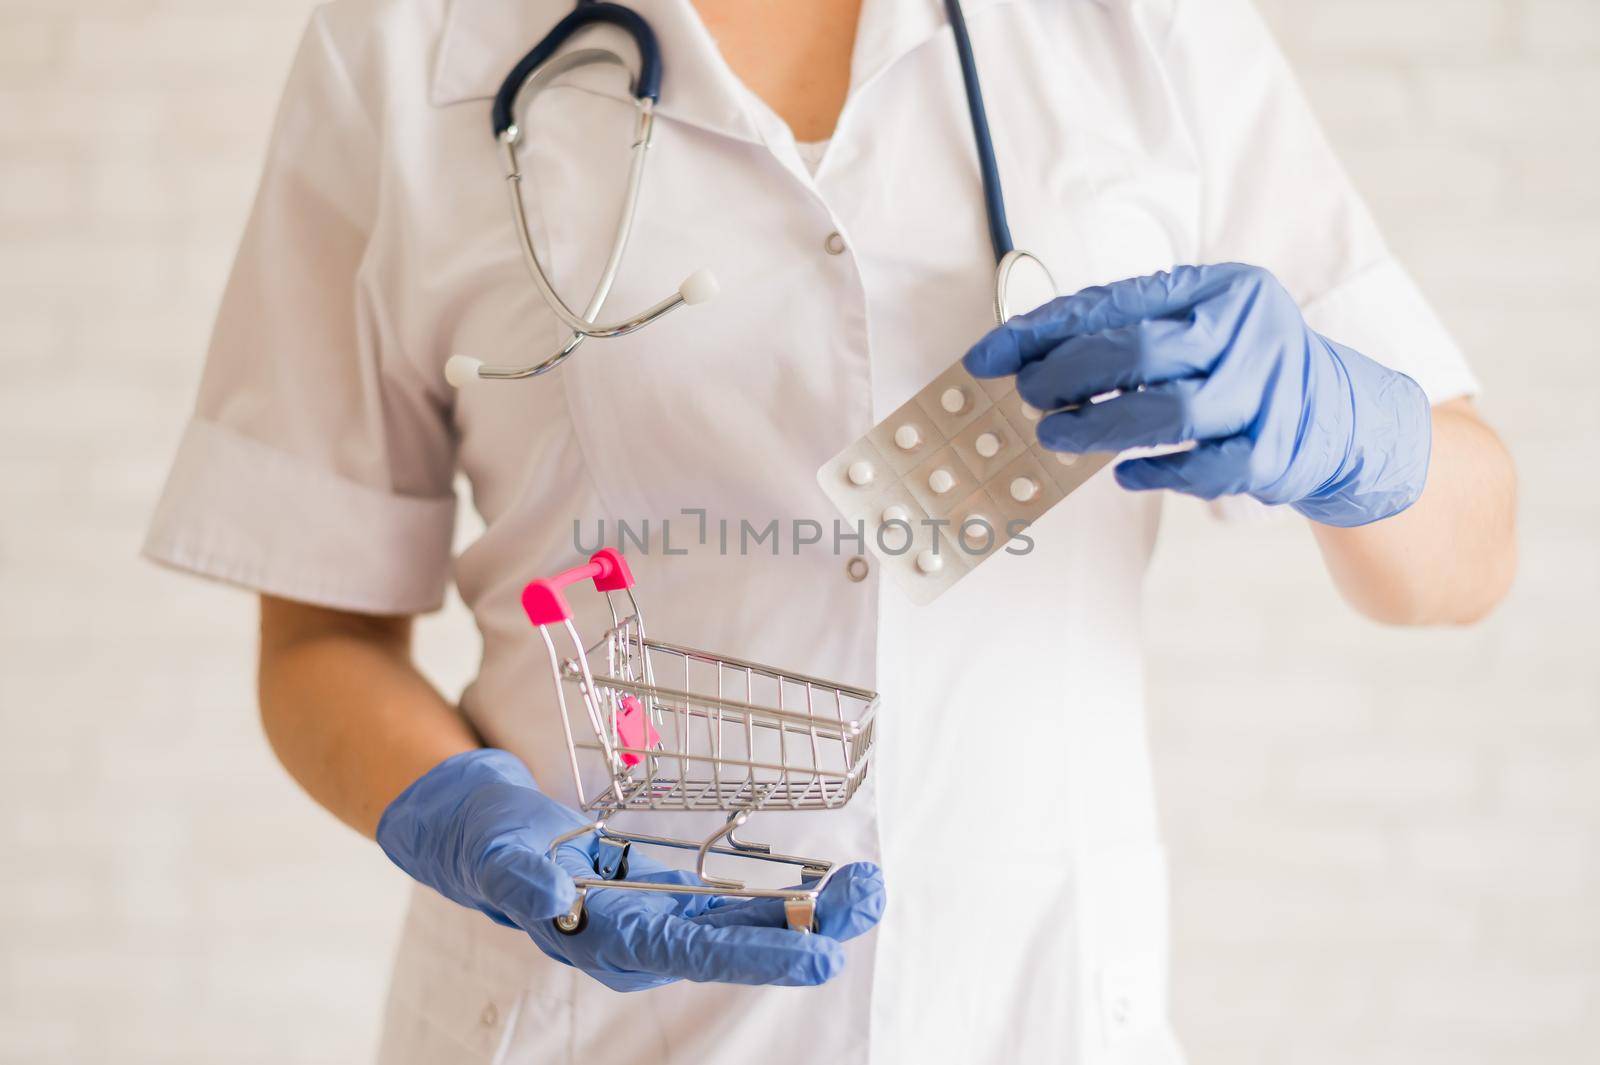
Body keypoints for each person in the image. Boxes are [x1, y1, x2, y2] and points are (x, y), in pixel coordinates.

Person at [144, 0, 1517, 1061]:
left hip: (1033, 1015)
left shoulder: (1138, 30)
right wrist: (466, 819)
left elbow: (1473, 540)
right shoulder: (412, 43)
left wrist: (1347, 425)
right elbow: (320, 631)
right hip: (593, 1030)